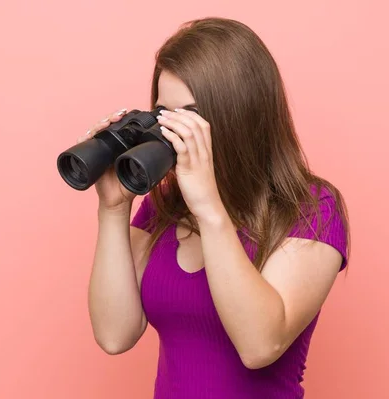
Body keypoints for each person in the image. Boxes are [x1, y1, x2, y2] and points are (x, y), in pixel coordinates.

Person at [79, 17, 350, 399]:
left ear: (240, 114)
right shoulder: (164, 209)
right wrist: (113, 209)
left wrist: (209, 207)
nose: (174, 133)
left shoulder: (311, 209)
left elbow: (260, 346)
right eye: (163, 116)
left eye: (189, 116)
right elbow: (114, 334)